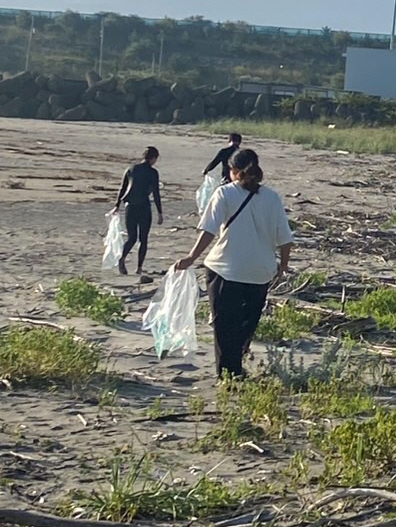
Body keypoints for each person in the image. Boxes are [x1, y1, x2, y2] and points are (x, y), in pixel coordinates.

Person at [175, 148, 292, 379]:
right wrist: (283, 266)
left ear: (234, 170)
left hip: (225, 269)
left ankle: (228, 375)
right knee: (246, 324)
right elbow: (285, 238)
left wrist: (191, 257)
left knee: (225, 326)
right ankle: (236, 368)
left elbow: (209, 230)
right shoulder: (272, 198)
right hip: (260, 272)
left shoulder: (225, 193)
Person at [114, 146, 163, 277]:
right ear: (153, 158)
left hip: (130, 206)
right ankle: (139, 268)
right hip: (144, 207)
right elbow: (156, 193)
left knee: (132, 238)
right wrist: (160, 212)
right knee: (143, 239)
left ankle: (122, 258)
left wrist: (117, 205)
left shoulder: (131, 168)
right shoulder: (153, 172)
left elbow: (122, 188)